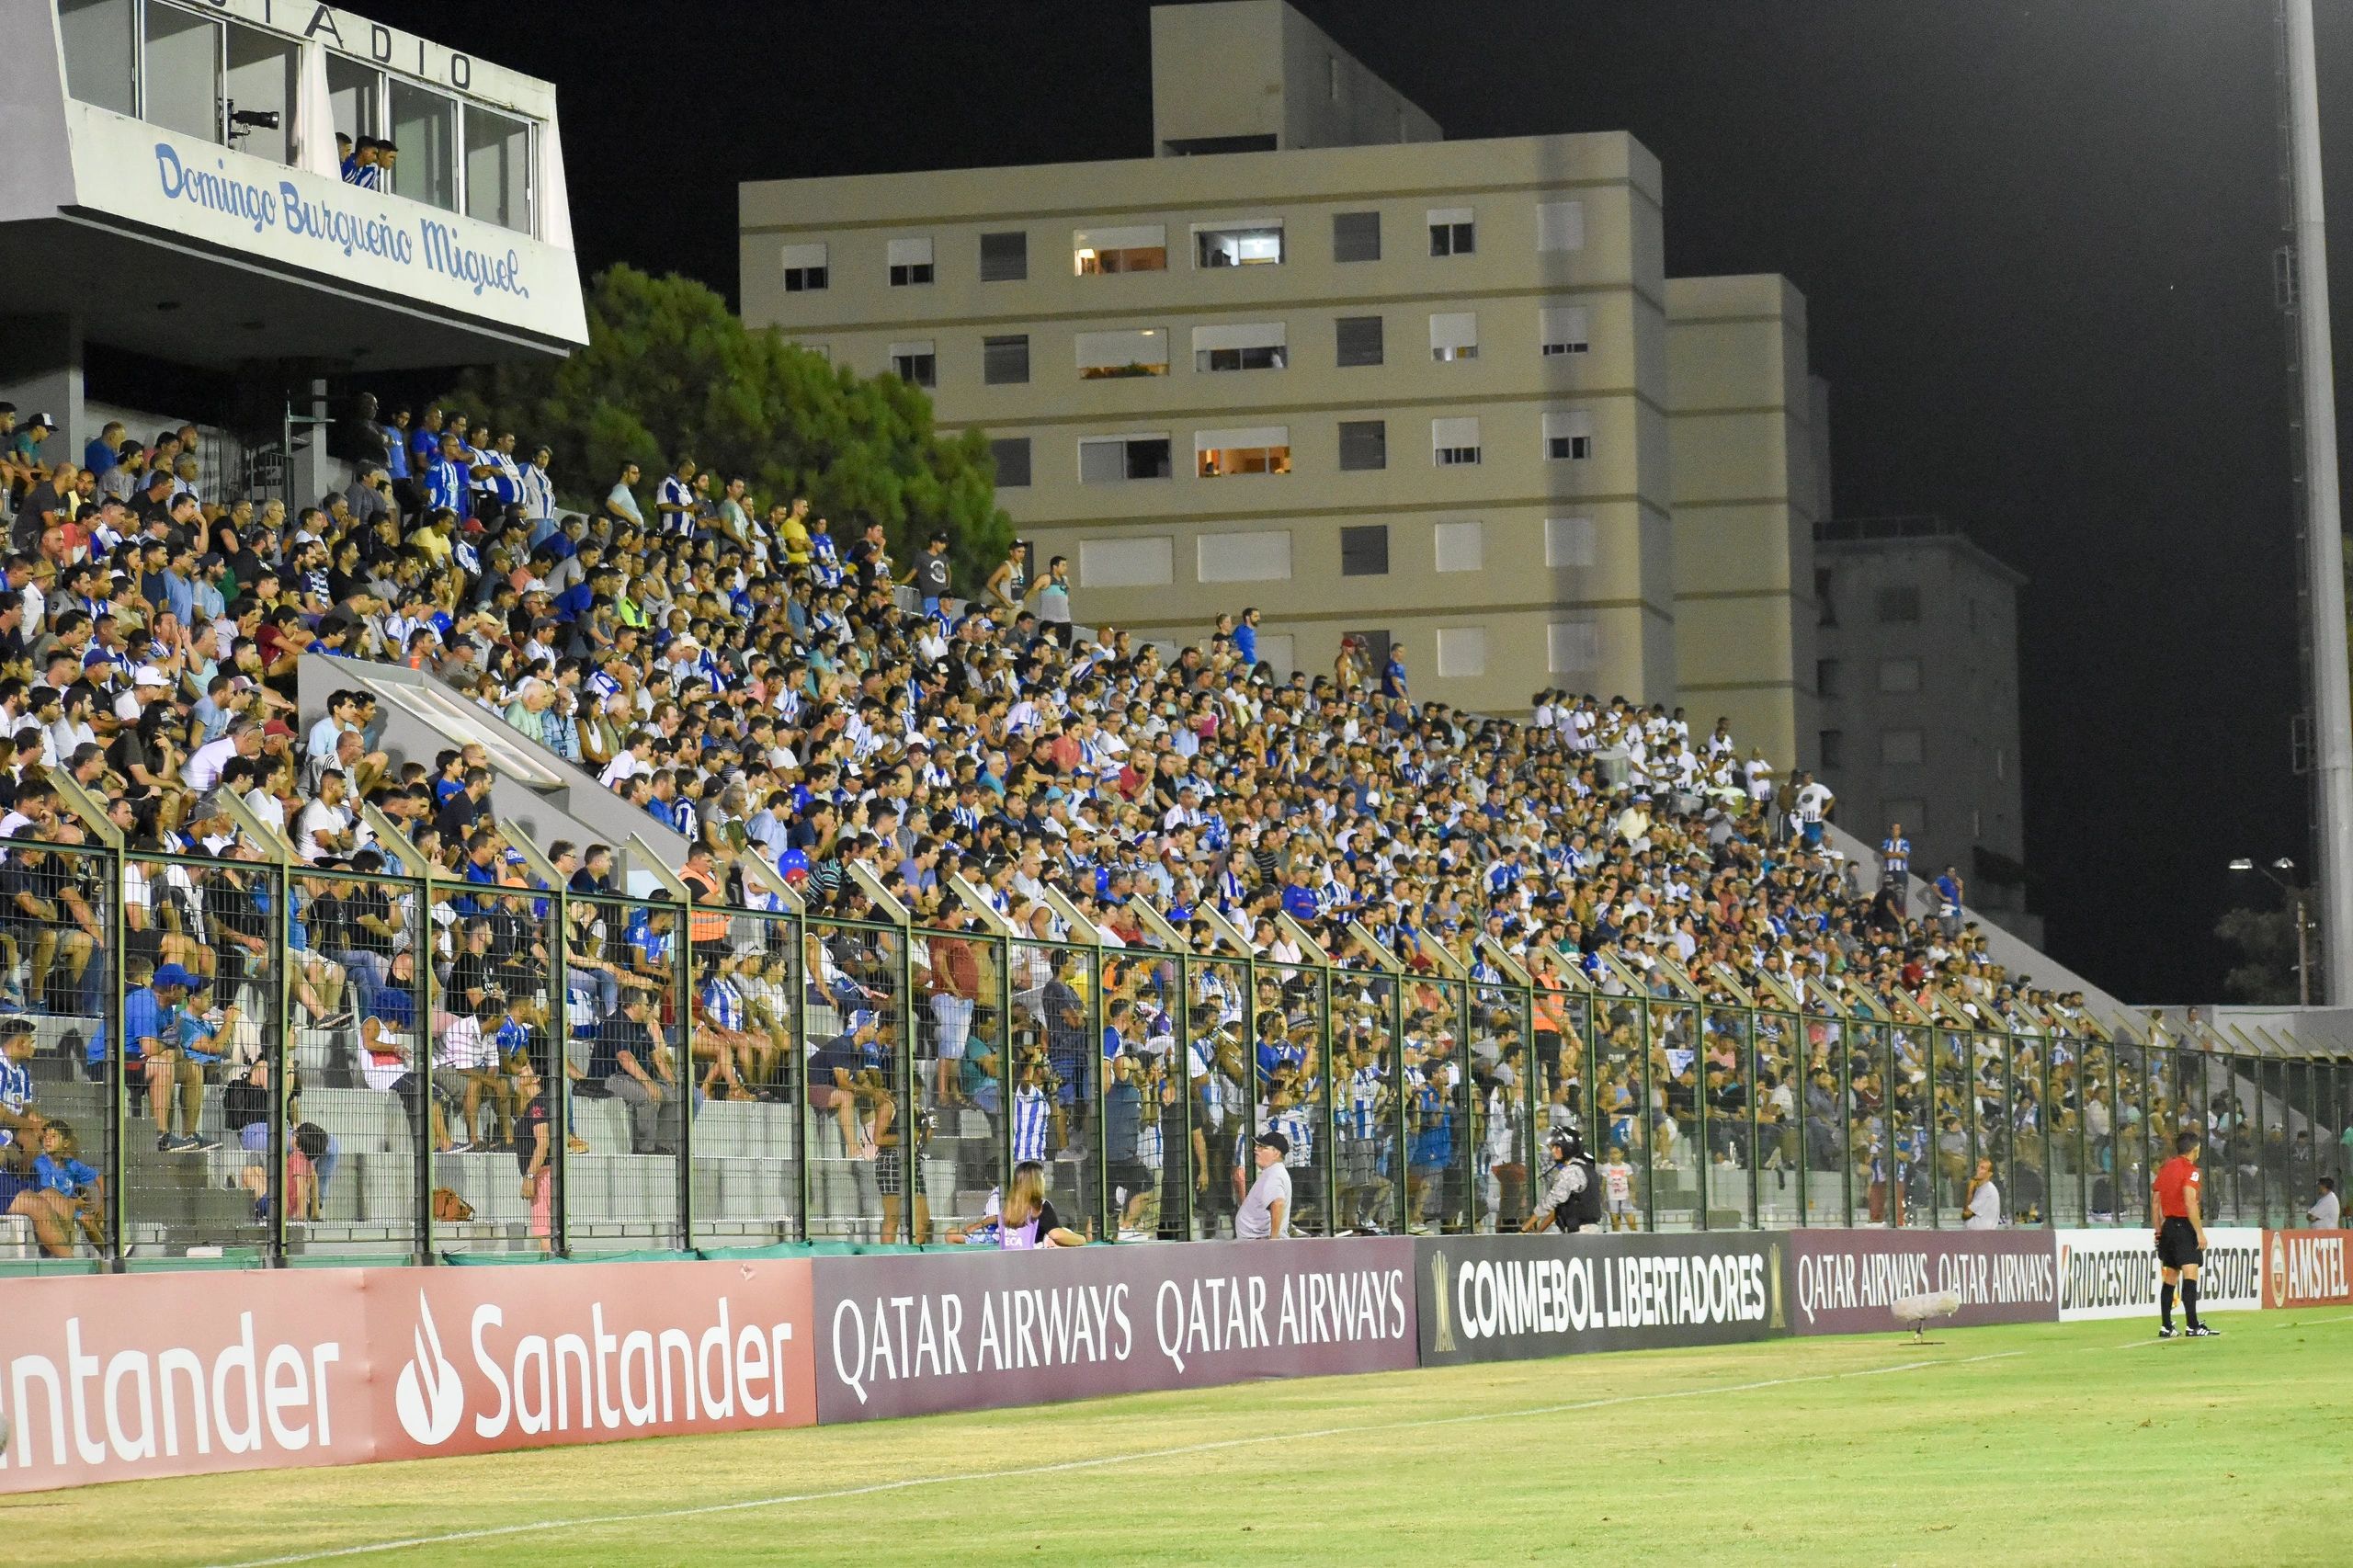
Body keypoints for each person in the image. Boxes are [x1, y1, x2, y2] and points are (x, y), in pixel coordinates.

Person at [2153, 1131, 2218, 1338]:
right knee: (2190, 1273)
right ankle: (2192, 1325)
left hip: (2168, 1226)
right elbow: (2190, 1200)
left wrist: (2158, 1231)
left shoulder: (2165, 1168)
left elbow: (2155, 1202)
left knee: (2171, 1275)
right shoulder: (2192, 1171)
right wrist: (2199, 1232)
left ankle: (2166, 1325)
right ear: (2195, 1149)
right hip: (2183, 1226)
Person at [1523, 1129, 1603, 1233]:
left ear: (1568, 1148)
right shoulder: (1586, 1167)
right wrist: (1539, 1230)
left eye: (1557, 1147)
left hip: (1579, 1232)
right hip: (1589, 1231)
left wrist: (1524, 1228)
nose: (1553, 1151)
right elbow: (1558, 1207)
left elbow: (1550, 1203)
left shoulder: (1570, 1171)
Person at [998, 1158, 1085, 1249]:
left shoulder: (1005, 1210)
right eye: (1043, 1177)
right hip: (1032, 1259)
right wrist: (1081, 1239)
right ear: (1036, 1182)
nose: (1044, 1180)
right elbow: (1056, 1235)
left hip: (1007, 1261)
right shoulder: (1040, 1206)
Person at [1235, 1129, 1292, 1240]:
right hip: (1258, 1242)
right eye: (1257, 1146)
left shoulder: (1275, 1174)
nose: (1256, 1149)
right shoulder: (1272, 1171)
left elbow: (1278, 1203)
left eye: (1262, 1147)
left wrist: (1273, 1240)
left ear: (1276, 1153)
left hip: (1261, 1243)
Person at [1962, 1155, 2001, 1230]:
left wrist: (1970, 1190)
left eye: (1982, 1168)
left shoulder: (1988, 1190)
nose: (1978, 1169)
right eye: (1978, 1167)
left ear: (1989, 1174)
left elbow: (1967, 1213)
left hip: (1981, 1235)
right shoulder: (1981, 1188)